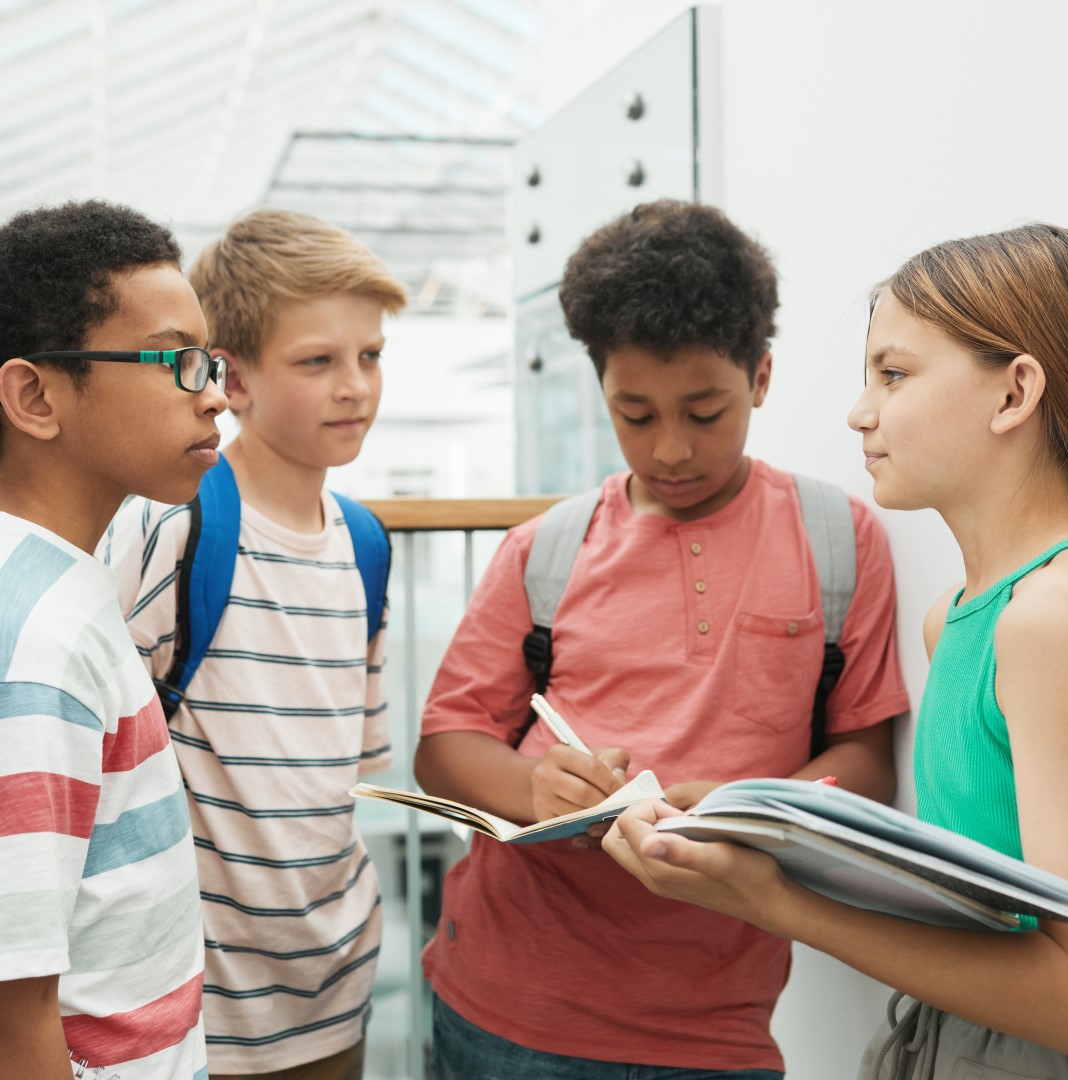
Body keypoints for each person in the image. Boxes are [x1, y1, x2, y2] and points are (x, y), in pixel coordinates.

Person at [414, 199, 909, 1078]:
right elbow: (445, 748)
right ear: (600, 389)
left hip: (717, 1022)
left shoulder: (839, 541)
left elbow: (864, 755)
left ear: (760, 377)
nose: (672, 449)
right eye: (635, 415)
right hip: (509, 1007)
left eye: (706, 411)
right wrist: (535, 786)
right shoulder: (545, 552)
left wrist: (757, 809)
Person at [604, 223, 1068, 1076]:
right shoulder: (957, 616)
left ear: (1014, 395)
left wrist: (778, 903)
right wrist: (765, 824)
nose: (860, 412)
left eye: (893, 375)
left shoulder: (1053, 617)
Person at [99, 209, 408, 1080]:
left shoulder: (366, 543)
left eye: (371, 355)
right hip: (197, 1009)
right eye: (318, 361)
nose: (356, 387)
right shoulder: (174, 528)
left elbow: (355, 767)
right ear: (230, 378)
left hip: (336, 988)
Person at [0, 199, 227, 1078]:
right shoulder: (35, 645)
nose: (213, 392)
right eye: (177, 360)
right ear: (35, 395)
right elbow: (14, 1023)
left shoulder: (62, 587)